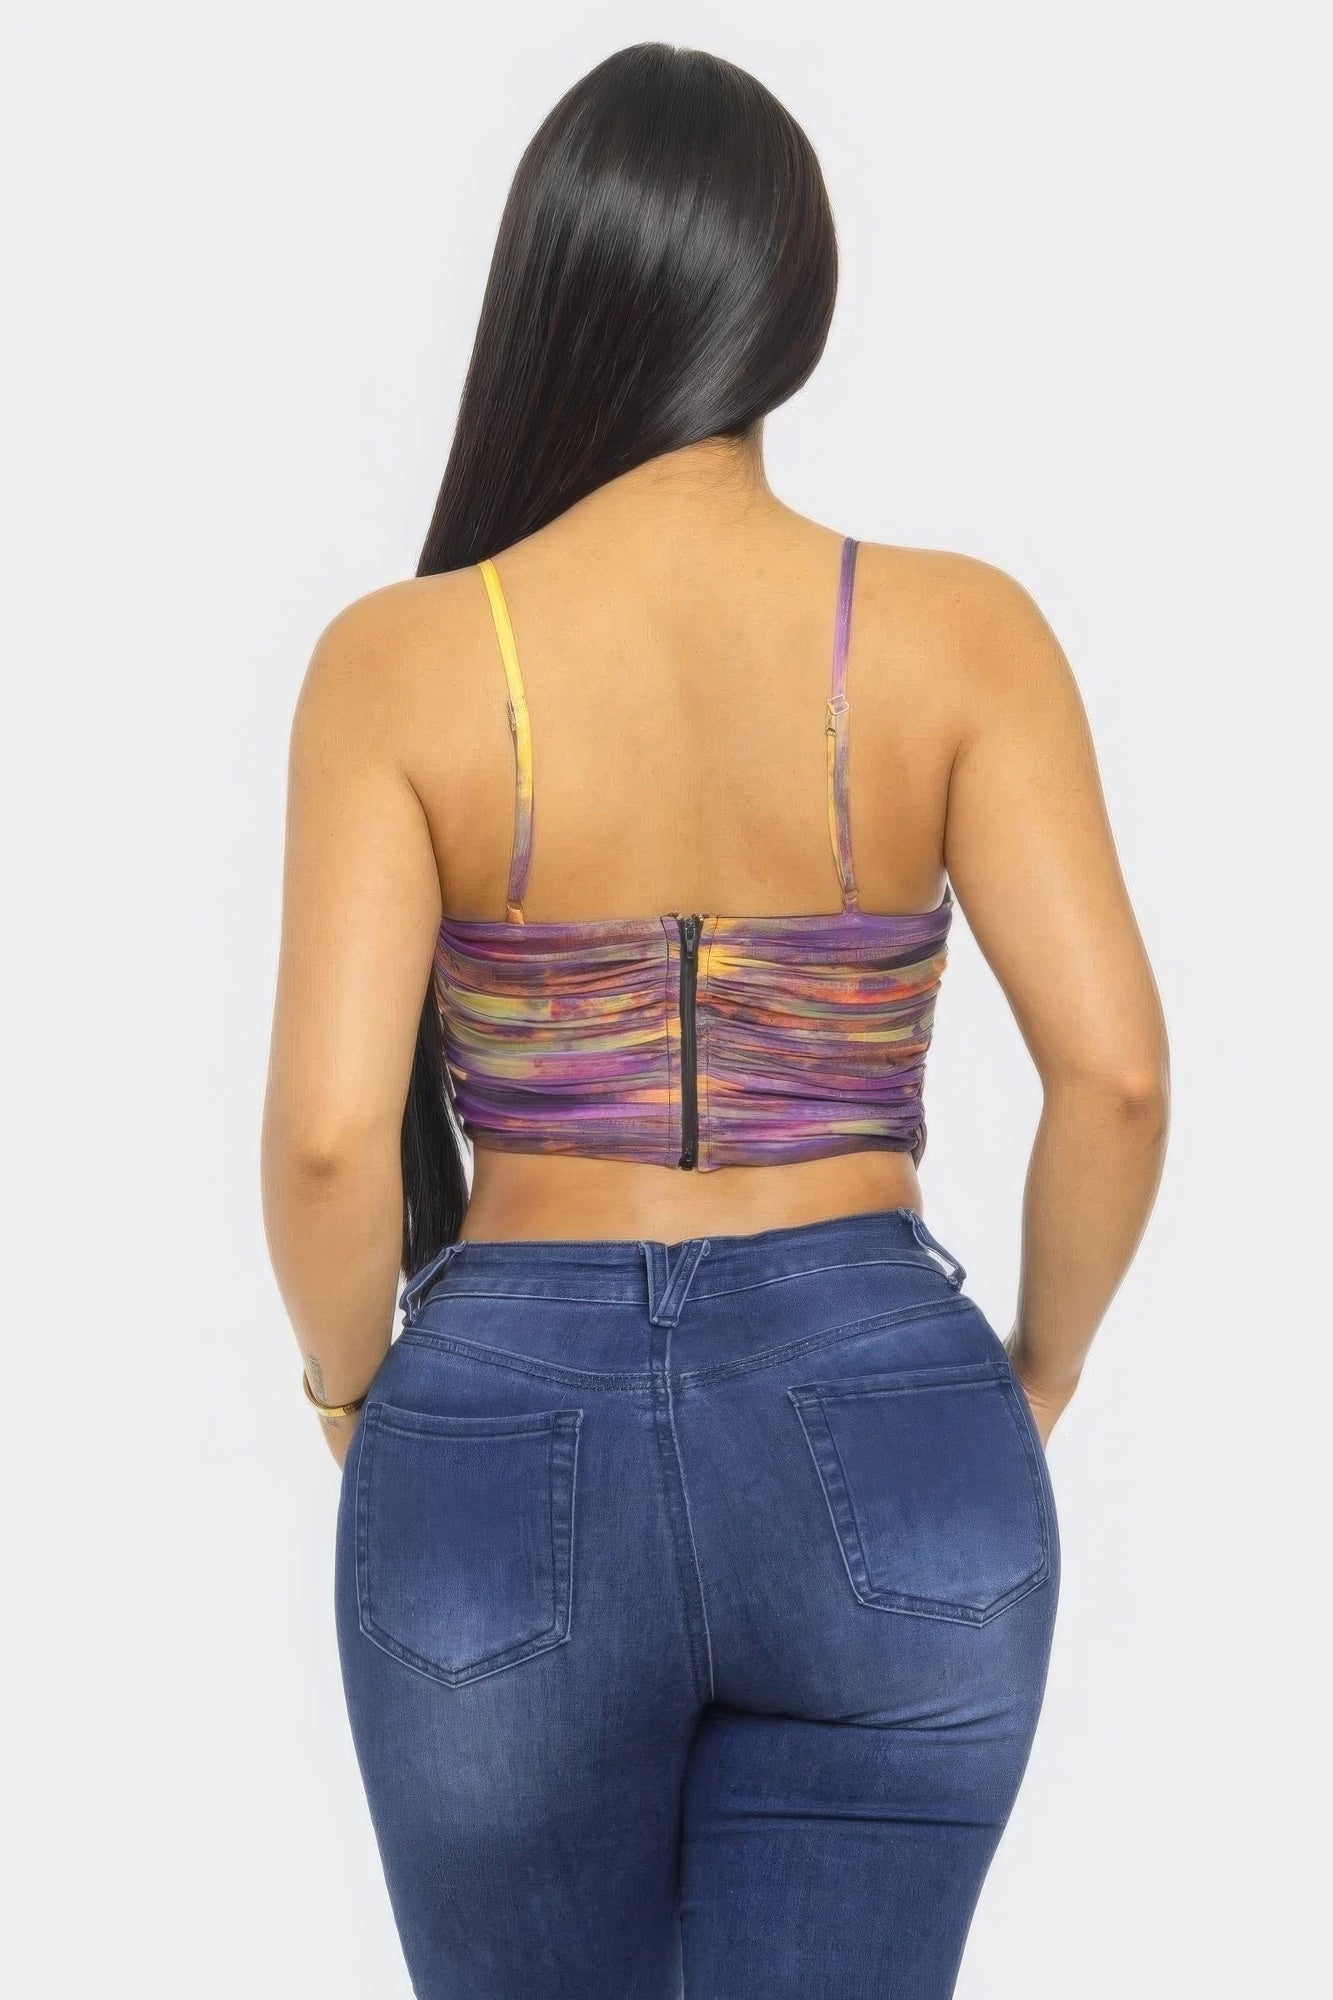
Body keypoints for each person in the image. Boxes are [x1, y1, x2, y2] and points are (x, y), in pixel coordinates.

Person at [261, 40, 1169, 2000]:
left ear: (550, 287)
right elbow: (1114, 1074)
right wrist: (1028, 1378)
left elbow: (332, 1139)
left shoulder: (401, 661)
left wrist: (354, 1403)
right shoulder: (961, 631)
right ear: (791, 300)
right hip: (888, 1405)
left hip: (501, 1428)